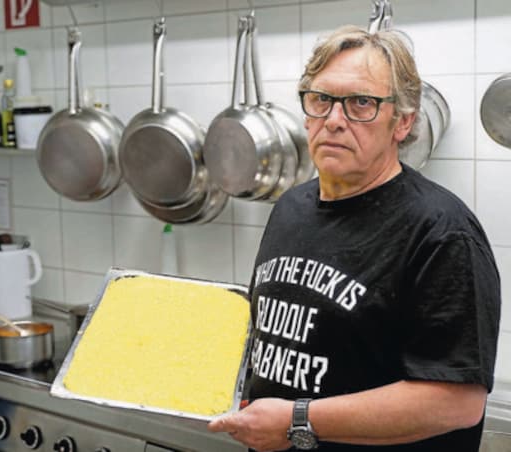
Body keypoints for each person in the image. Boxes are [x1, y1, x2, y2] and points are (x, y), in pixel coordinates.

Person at [208, 25, 501, 451]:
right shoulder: (290, 207)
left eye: (361, 103)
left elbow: (455, 403)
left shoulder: (441, 231)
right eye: (321, 99)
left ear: (402, 122)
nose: (334, 120)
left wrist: (296, 420)